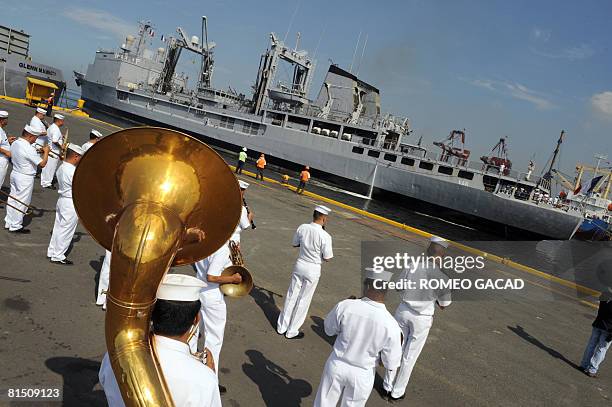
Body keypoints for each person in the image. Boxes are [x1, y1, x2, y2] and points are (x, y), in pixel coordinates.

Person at [99, 274, 221, 407]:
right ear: (196, 319)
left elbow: (105, 382)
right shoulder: (204, 380)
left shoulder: (116, 356)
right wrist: (207, 375)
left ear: (151, 313)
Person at [194, 180, 253, 391]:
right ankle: (209, 379)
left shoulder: (203, 239)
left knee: (194, 334)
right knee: (214, 339)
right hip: (211, 295)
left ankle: (192, 370)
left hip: (197, 290)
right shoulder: (220, 248)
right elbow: (212, 276)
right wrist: (234, 279)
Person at [314, 269, 402, 407]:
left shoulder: (346, 305)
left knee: (323, 404)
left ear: (367, 286)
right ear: (385, 291)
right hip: (363, 374)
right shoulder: (391, 325)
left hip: (337, 364)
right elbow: (391, 364)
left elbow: (329, 329)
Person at [382, 236, 452, 401]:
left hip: (404, 310)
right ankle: (397, 393)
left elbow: (399, 286)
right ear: (442, 256)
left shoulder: (413, 266)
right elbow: (444, 305)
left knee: (395, 349)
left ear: (428, 251)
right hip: (422, 318)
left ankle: (386, 386)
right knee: (410, 357)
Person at [277, 205, 333, 339]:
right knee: (304, 299)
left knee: (292, 294)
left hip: (300, 264)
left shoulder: (302, 227)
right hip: (313, 268)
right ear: (324, 218)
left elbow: (295, 243)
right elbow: (328, 257)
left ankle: (281, 326)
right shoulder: (325, 235)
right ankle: (292, 330)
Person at [4, 125, 50, 233]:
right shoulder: (28, 148)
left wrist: (39, 151)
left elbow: (24, 155)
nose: (35, 140)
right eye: (35, 137)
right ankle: (16, 225)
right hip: (25, 177)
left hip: (15, 173)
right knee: (22, 201)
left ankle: (9, 221)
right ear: (30, 136)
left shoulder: (16, 142)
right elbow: (42, 164)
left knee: (12, 198)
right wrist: (46, 151)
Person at [47, 144, 84, 265]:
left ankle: (52, 251)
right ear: (76, 156)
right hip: (70, 202)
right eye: (80, 157)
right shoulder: (73, 171)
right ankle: (58, 255)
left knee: (58, 227)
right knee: (66, 230)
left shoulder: (62, 167)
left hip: (62, 200)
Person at [580, 286, 612, 377]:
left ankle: (583, 365)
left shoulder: (604, 295)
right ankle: (592, 369)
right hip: (608, 329)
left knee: (591, 345)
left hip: (598, 324)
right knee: (601, 349)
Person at [41, 113, 65, 189]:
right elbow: (55, 141)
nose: (63, 123)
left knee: (46, 167)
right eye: (62, 121)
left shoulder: (51, 127)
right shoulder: (56, 129)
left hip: (49, 150)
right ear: (59, 121)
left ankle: (44, 181)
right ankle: (47, 183)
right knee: (51, 168)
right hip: (54, 152)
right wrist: (61, 147)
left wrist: (61, 136)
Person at [0, 110, 16, 187]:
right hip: (1, 160)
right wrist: (6, 152)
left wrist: (8, 141)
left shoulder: (1, 130)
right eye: (6, 119)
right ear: (2, 120)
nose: (7, 121)